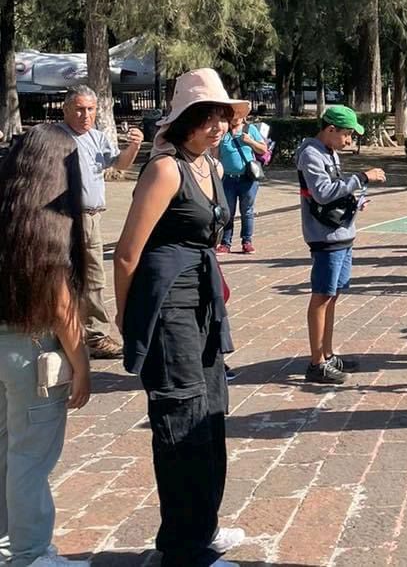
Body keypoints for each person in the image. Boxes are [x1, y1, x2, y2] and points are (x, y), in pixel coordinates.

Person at [114, 69, 248, 567]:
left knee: (211, 412)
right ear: (187, 119)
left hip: (202, 300)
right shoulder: (165, 168)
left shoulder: (208, 166)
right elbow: (127, 253)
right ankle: (181, 547)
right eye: (209, 117)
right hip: (167, 301)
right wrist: (129, 322)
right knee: (180, 415)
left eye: (223, 117)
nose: (218, 126)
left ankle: (202, 526)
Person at [0, 125, 92, 567]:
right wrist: (82, 363)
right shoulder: (46, 224)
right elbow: (60, 305)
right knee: (30, 460)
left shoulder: (6, 211)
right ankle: (32, 554)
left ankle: (6, 545)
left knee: (6, 453)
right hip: (31, 353)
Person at [296, 105, 386, 384]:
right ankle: (316, 362)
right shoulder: (311, 154)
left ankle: (327, 352)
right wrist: (361, 177)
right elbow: (322, 194)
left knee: (332, 295)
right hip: (326, 237)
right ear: (330, 130)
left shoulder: (329, 152)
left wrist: (355, 200)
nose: (349, 140)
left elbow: (334, 190)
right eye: (346, 134)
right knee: (322, 296)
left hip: (342, 233)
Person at [59, 85, 144, 359]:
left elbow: (119, 165)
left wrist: (134, 146)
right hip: (66, 216)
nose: (86, 115)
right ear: (66, 109)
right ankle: (93, 335)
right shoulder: (57, 137)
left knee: (90, 276)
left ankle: (88, 333)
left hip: (92, 217)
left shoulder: (97, 137)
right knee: (83, 275)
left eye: (90, 109)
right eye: (79, 109)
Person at [214, 111, 267, 255]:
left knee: (247, 211)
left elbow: (263, 149)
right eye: (232, 116)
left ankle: (247, 242)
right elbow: (215, 154)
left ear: (243, 117)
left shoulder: (250, 130)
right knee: (228, 212)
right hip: (228, 179)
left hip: (247, 179)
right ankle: (225, 243)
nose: (234, 119)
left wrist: (250, 141)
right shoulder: (224, 132)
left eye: (237, 116)